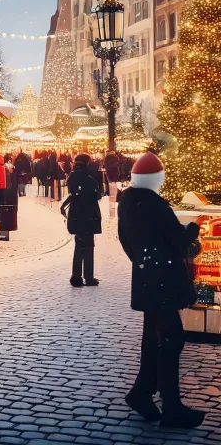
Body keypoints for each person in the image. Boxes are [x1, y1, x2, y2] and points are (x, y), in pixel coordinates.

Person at [118, 153, 206, 428]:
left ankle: (142, 394)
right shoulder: (156, 207)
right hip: (164, 281)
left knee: (153, 340)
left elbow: (127, 242)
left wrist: (142, 264)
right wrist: (195, 226)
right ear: (155, 179)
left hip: (147, 279)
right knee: (171, 340)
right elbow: (178, 238)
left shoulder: (129, 204)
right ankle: (172, 408)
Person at [61, 153, 102, 287]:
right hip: (88, 216)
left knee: (79, 245)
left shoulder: (72, 177)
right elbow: (96, 195)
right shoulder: (89, 178)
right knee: (88, 246)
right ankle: (88, 277)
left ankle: (76, 276)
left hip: (76, 215)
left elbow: (73, 194)